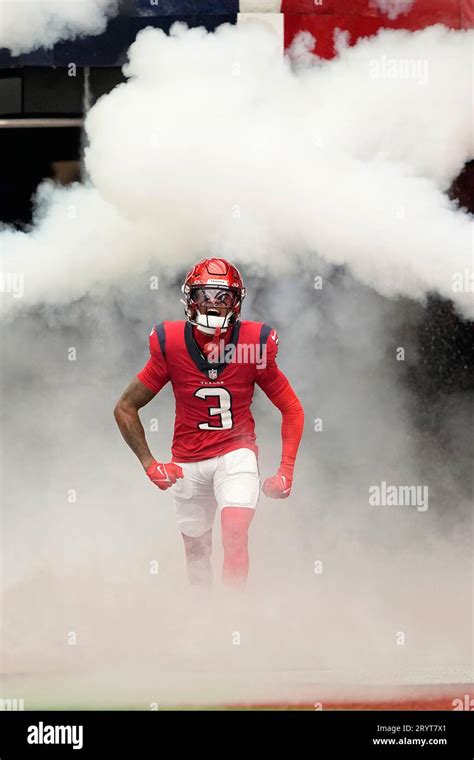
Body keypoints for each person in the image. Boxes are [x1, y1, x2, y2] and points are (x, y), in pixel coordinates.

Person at [114, 257, 304, 589]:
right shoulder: (170, 343)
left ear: (237, 302)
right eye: (205, 296)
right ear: (190, 300)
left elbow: (292, 408)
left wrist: (286, 469)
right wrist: (149, 464)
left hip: (236, 453)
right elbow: (126, 407)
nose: (213, 305)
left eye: (222, 297)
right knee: (196, 553)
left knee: (234, 534)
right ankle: (204, 622)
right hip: (187, 459)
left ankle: (233, 620)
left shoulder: (253, 343)